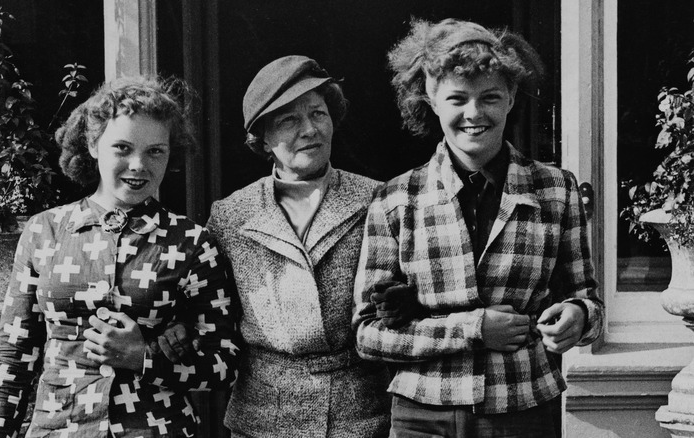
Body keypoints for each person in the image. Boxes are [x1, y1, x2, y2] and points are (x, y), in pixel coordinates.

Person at [352, 18, 604, 437]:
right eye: (457, 98)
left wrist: (579, 317)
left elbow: (587, 300)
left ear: (509, 98)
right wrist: (473, 329)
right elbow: (368, 336)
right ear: (432, 100)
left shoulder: (555, 190)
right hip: (422, 415)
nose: (474, 114)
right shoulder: (396, 199)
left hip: (523, 410)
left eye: (489, 97)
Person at [0, 76, 239, 438]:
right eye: (122, 148)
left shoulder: (192, 244)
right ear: (92, 145)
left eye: (155, 151)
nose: (138, 165)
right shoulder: (45, 231)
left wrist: (143, 358)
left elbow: (224, 365)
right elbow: (14, 355)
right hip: (58, 430)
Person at [203, 55, 391, 437]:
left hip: (360, 414)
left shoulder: (377, 199)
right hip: (263, 416)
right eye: (289, 120)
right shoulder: (231, 215)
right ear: (264, 138)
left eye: (318, 113)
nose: (309, 129)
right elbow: (209, 311)